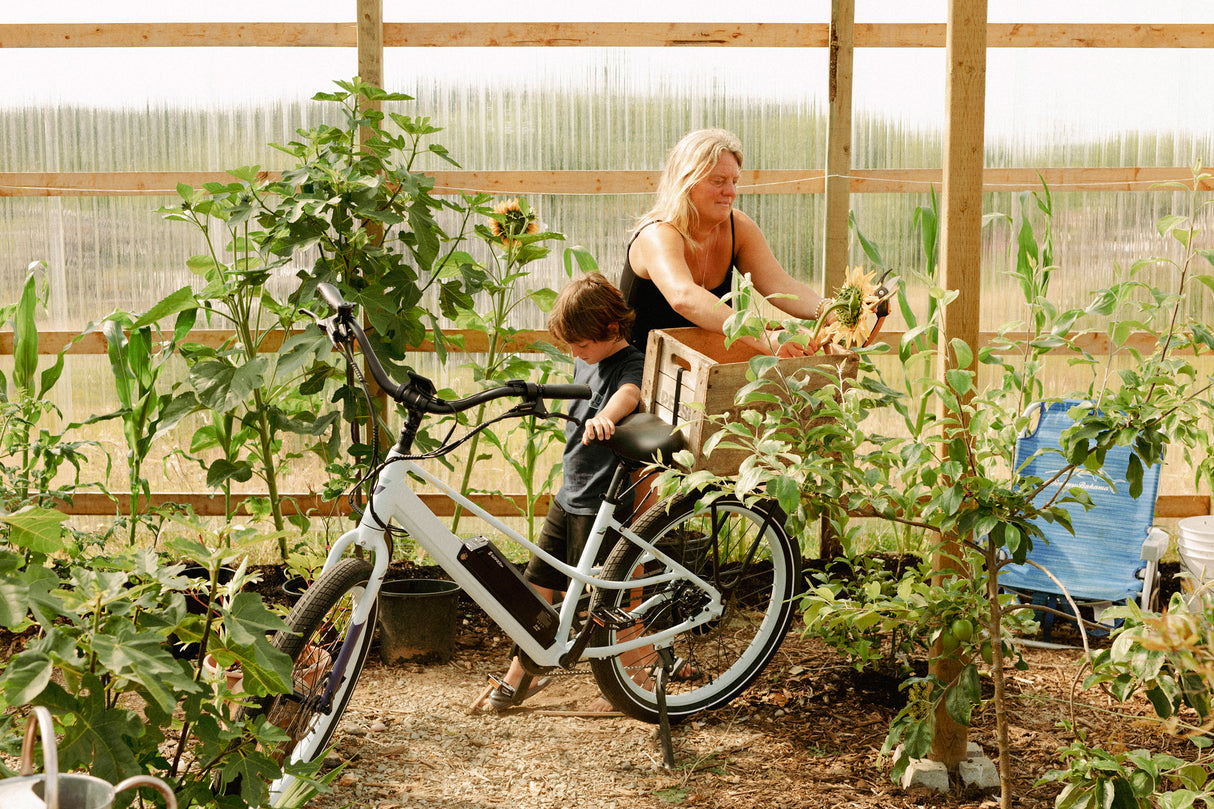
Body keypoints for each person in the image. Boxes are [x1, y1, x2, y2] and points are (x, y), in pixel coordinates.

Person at [477, 271, 645, 712]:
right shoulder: (586, 353)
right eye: (570, 345)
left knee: (602, 601)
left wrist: (606, 417)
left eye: (581, 345)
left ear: (612, 329)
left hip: (602, 500)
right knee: (538, 585)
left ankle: (633, 680)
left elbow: (629, 393)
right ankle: (523, 671)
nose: (575, 353)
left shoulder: (630, 361)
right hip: (570, 491)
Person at [621, 128, 832, 357]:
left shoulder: (737, 227)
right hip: (637, 367)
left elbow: (780, 284)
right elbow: (683, 297)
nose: (730, 192)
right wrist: (764, 337)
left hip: (700, 365)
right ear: (686, 182)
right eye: (718, 181)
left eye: (734, 181)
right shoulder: (658, 233)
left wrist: (827, 309)